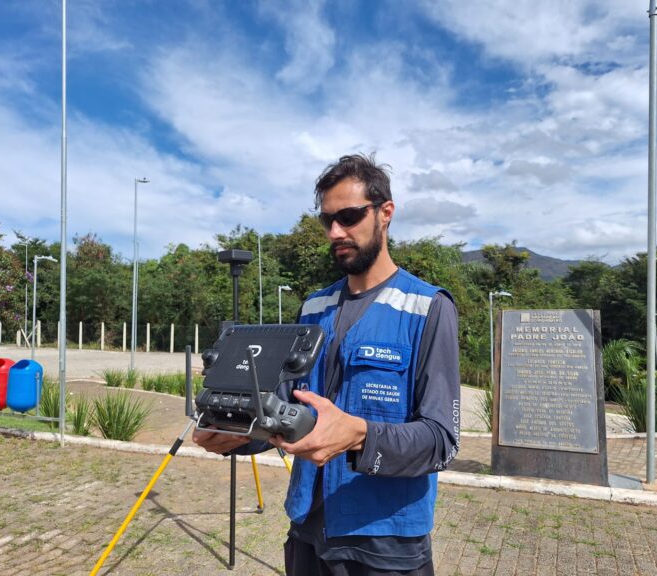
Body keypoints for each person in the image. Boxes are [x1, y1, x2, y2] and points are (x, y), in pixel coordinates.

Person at [194, 153, 461, 576]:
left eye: (350, 216)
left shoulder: (428, 307)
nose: (336, 231)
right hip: (307, 531)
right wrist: (237, 433)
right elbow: (285, 410)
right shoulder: (314, 306)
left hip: (385, 541)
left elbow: (440, 441)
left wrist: (359, 435)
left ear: (385, 213)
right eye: (327, 221)